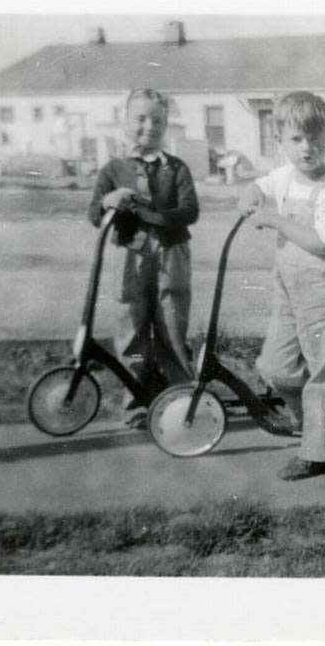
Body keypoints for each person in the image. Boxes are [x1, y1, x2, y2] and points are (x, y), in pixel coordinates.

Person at [237, 91, 325, 481]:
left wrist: (276, 221)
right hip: (287, 281)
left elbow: (322, 241)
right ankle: (309, 420)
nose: (307, 148)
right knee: (275, 365)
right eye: (297, 139)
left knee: (322, 368)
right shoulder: (282, 176)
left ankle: (317, 454)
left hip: (321, 283)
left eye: (315, 138)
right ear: (280, 142)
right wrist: (251, 193)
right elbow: (260, 186)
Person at [87, 88, 199, 428]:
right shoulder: (112, 169)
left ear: (166, 126)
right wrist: (109, 202)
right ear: (124, 122)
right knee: (131, 330)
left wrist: (146, 213)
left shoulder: (176, 168)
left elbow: (189, 212)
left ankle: (181, 400)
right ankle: (136, 401)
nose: (149, 126)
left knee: (172, 325)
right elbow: (94, 213)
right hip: (129, 256)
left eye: (157, 120)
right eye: (140, 118)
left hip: (170, 256)